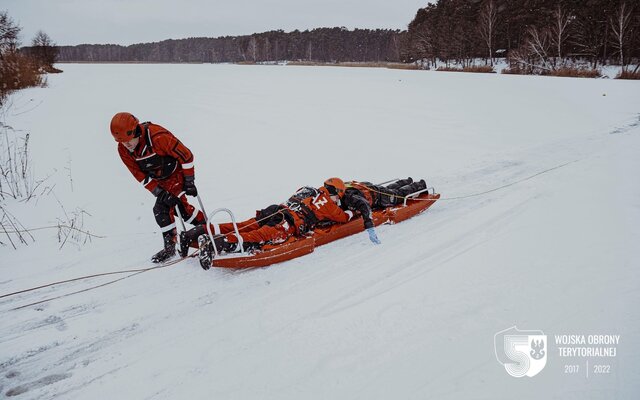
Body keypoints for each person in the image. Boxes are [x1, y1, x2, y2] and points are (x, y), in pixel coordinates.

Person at [180, 185, 356, 269]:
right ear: (334, 194)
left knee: (243, 226)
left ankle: (198, 232)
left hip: (274, 211)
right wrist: (349, 211)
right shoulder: (329, 203)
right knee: (259, 236)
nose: (337, 201)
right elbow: (343, 218)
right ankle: (217, 244)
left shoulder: (309, 191)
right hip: (287, 222)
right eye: (337, 198)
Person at [110, 112, 205, 263]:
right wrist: (159, 192)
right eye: (122, 142)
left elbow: (186, 156)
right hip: (160, 180)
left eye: (129, 140)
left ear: (136, 131)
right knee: (180, 209)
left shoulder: (158, 137)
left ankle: (173, 246)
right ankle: (205, 227)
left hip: (176, 173)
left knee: (162, 209)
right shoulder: (123, 149)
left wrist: (189, 181)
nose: (126, 145)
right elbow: (139, 175)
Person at [324, 177, 427, 245]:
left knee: (397, 195)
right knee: (387, 190)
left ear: (339, 192)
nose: (329, 198)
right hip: (367, 188)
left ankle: (419, 185)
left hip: (377, 197)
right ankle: (406, 181)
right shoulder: (338, 195)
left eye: (331, 196)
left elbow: (365, 206)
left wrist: (370, 227)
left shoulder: (350, 197)